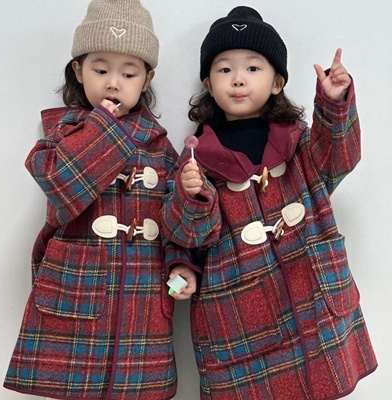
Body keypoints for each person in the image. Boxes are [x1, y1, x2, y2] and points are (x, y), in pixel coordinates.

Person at [161, 6, 377, 400]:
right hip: (240, 318)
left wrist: (334, 104)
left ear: (277, 82)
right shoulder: (195, 158)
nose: (238, 78)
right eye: (224, 69)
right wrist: (192, 196)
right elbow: (186, 236)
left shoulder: (299, 142)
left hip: (314, 299)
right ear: (209, 84)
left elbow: (339, 159)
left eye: (253, 68)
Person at [4, 1, 196, 399]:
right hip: (76, 296)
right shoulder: (62, 134)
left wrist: (181, 263)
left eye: (128, 73)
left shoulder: (161, 148)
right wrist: (103, 126)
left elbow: (175, 220)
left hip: (143, 304)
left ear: (147, 78)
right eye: (100, 69)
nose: (113, 83)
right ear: (78, 71)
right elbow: (60, 183)